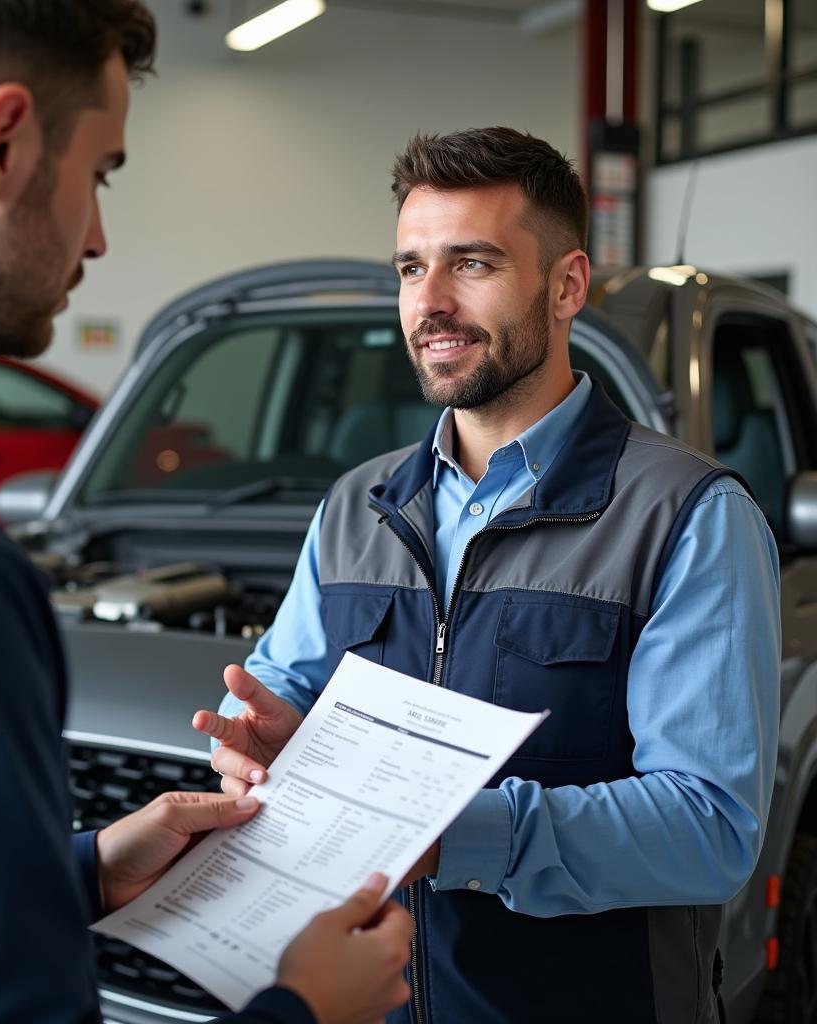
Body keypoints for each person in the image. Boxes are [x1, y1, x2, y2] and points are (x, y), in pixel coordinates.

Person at [0, 3, 414, 1023]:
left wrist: (75, 871)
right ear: (1, 144)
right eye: (101, 173)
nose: (96, 233)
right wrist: (303, 1009)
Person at [195, 127, 781, 1023]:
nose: (429, 302)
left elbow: (709, 827)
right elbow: (282, 688)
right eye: (408, 268)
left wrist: (456, 833)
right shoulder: (359, 505)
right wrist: (260, 744)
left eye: (471, 263)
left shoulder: (686, 515)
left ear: (567, 285)